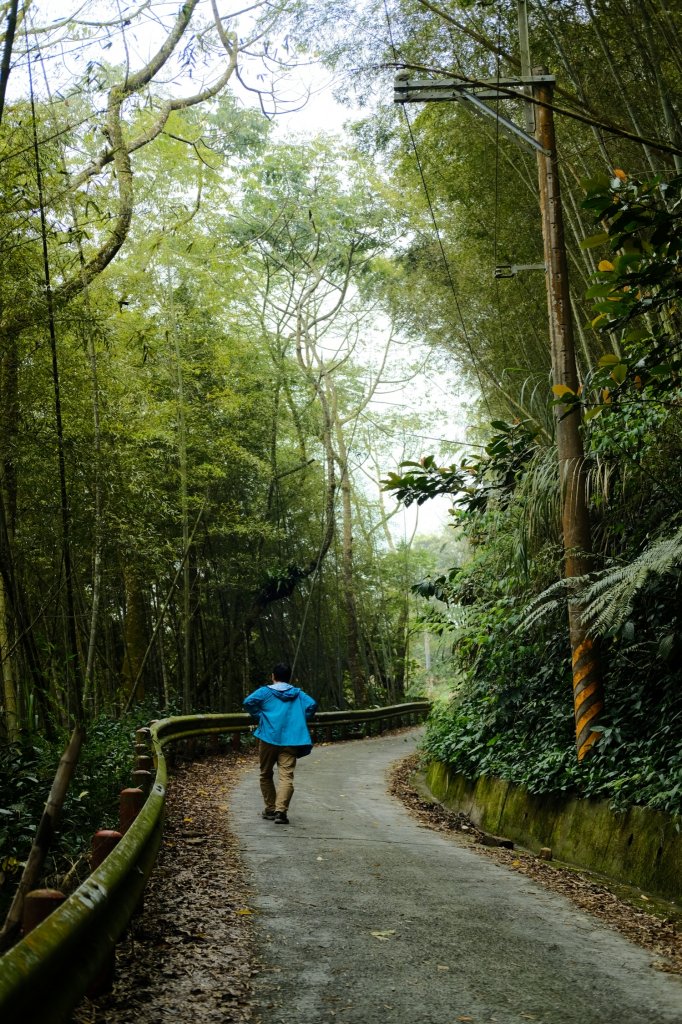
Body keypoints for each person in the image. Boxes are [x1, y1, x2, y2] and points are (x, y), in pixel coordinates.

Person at [243, 663, 317, 824]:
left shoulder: (265, 692)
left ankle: (270, 809)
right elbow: (312, 704)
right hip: (291, 740)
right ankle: (281, 812)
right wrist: (301, 719)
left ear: (273, 676)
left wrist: (260, 716)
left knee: (265, 773)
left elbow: (248, 702)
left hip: (268, 737)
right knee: (286, 776)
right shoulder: (298, 694)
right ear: (289, 677)